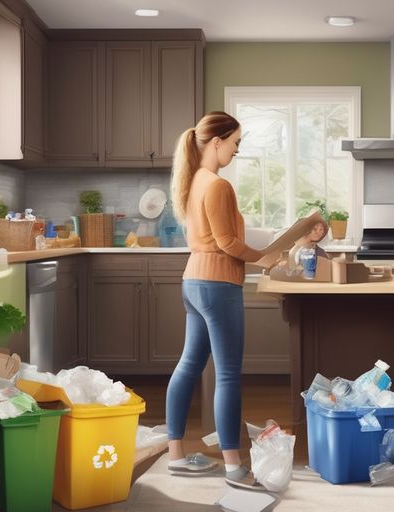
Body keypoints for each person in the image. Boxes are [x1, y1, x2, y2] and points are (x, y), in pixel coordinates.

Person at [164, 111, 265, 490]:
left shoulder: (193, 182)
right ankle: (235, 467)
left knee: (189, 365)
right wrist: (265, 257)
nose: (237, 150)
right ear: (217, 141)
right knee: (227, 375)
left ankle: (175, 456)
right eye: (236, 142)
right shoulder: (218, 185)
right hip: (218, 284)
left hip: (193, 281)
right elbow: (227, 244)